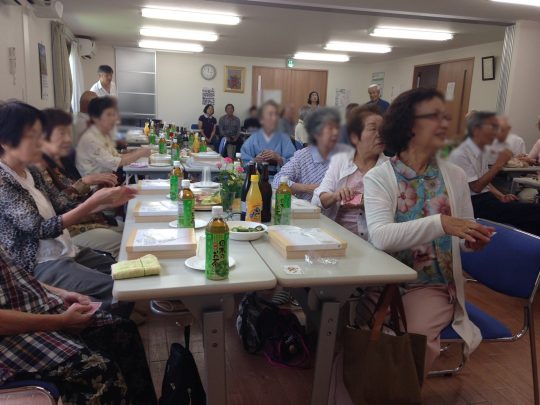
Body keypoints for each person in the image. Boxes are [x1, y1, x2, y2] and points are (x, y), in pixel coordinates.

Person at [363, 87, 494, 372]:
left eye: (446, 116)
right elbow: (381, 237)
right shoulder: (380, 177)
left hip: (432, 285)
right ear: (409, 124)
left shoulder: (454, 175)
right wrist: (442, 223)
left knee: (412, 342)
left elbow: (463, 236)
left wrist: (472, 241)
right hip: (384, 283)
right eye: (435, 116)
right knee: (359, 333)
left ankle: (394, 393)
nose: (445, 123)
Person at [0, 101, 135, 314]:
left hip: (63, 247)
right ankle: (111, 327)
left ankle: (119, 315)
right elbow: (42, 229)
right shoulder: (4, 183)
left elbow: (62, 203)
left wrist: (103, 202)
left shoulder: (30, 172)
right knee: (116, 289)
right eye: (31, 136)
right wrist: (93, 202)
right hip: (38, 263)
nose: (40, 142)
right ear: (6, 142)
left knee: (122, 273)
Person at [0, 246, 157, 404]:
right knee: (95, 371)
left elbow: (20, 278)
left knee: (122, 330)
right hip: (9, 335)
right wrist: (60, 322)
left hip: (36, 309)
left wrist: (62, 293)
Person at [38, 108, 123, 258]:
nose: (68, 139)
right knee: (124, 241)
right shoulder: (39, 168)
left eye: (69, 133)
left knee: (129, 228)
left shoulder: (62, 160)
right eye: (61, 133)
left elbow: (75, 200)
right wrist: (87, 185)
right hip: (69, 229)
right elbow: (60, 207)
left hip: (86, 217)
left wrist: (100, 196)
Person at [449, 111, 540, 236]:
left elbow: (486, 183)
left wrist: (501, 196)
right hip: (472, 202)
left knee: (525, 213)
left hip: (484, 198)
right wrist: (498, 165)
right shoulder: (460, 152)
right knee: (534, 212)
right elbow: (476, 187)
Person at [313, 105, 386, 239]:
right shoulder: (341, 160)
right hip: (334, 236)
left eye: (383, 129)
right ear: (354, 137)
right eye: (373, 129)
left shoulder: (389, 168)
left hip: (371, 242)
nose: (380, 134)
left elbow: (393, 213)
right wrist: (336, 196)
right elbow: (319, 198)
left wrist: (367, 203)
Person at [272, 108, 351, 202]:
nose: (334, 134)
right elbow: (277, 181)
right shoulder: (303, 156)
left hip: (337, 212)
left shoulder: (344, 156)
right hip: (308, 211)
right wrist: (306, 188)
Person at [76, 96, 151, 176]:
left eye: (113, 114)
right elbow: (115, 162)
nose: (114, 119)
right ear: (96, 118)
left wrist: (136, 152)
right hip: (96, 186)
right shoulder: (91, 139)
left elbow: (116, 156)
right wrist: (139, 153)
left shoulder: (103, 134)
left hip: (107, 180)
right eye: (109, 115)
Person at [240, 100, 297, 171]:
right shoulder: (253, 138)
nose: (274, 118)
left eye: (276, 115)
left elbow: (294, 163)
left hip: (279, 178)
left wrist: (279, 159)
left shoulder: (284, 138)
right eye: (270, 114)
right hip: (256, 177)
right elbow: (242, 162)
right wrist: (255, 161)